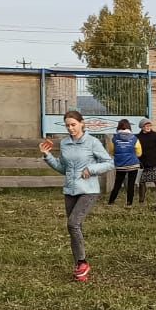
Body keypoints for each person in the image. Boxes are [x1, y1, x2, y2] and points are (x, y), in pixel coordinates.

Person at [39, 110, 114, 282]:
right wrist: (47, 156)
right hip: (70, 191)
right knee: (74, 228)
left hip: (88, 191)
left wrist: (92, 169)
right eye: (67, 125)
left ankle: (82, 262)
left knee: (73, 223)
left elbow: (109, 163)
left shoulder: (92, 142)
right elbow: (62, 168)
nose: (71, 128)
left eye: (73, 124)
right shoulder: (65, 144)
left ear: (82, 123)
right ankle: (80, 268)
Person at [108, 119, 141, 207]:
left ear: (118, 127)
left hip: (120, 165)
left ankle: (111, 202)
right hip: (133, 164)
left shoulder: (114, 138)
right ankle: (129, 204)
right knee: (131, 184)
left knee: (117, 184)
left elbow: (111, 151)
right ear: (129, 127)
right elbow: (139, 152)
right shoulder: (134, 138)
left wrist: (118, 155)